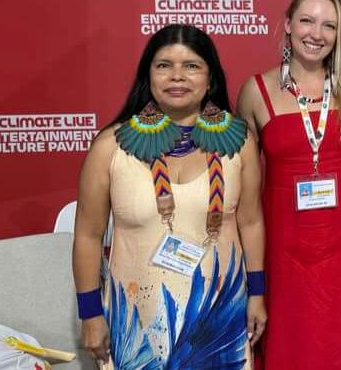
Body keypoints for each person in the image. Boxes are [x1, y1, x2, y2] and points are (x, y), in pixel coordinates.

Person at [72, 24, 266, 369]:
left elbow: (250, 222)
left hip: (217, 329)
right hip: (137, 331)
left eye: (192, 66)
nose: (177, 76)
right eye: (164, 65)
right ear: (148, 76)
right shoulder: (111, 147)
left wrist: (257, 293)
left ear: (211, 79)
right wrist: (90, 314)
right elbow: (87, 236)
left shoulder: (240, 144)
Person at [237, 0, 341, 370]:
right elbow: (242, 185)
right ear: (286, 24)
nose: (316, 34)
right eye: (306, 21)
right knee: (288, 342)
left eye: (329, 26)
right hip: (283, 246)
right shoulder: (255, 91)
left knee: (339, 342)